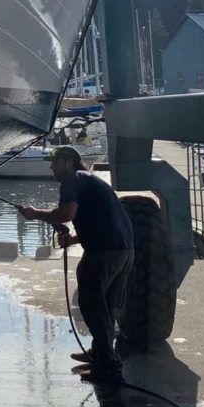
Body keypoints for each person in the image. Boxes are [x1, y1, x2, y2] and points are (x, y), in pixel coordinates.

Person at [16, 146, 134, 382]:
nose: (51, 167)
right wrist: (71, 239)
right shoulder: (89, 181)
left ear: (69, 162)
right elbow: (100, 221)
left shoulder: (72, 180)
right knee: (107, 306)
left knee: (91, 302)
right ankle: (102, 353)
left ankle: (107, 366)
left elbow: (68, 213)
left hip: (103, 252)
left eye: (55, 162)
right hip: (124, 251)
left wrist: (35, 213)